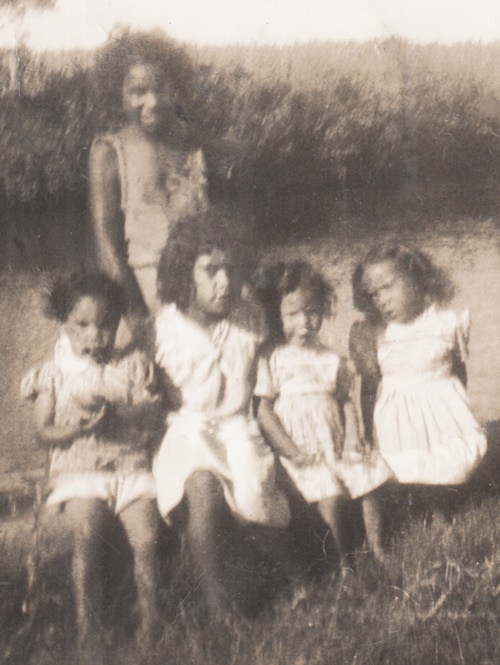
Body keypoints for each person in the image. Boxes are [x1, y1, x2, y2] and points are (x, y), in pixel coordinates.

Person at [152, 211, 290, 613]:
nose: (225, 282)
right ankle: (217, 607)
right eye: (210, 271)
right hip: (188, 430)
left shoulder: (250, 319)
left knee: (255, 500)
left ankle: (286, 576)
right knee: (202, 486)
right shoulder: (163, 329)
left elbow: (265, 383)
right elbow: (154, 396)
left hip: (238, 430)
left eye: (231, 269)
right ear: (183, 275)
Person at [20, 272, 162, 662]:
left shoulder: (132, 365)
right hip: (79, 469)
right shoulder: (55, 372)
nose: (94, 336)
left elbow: (151, 418)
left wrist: (130, 408)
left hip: (129, 467)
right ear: (64, 324)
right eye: (81, 325)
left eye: (105, 325)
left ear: (117, 325)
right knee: (86, 532)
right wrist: (73, 429)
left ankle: (152, 623)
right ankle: (89, 628)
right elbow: (42, 432)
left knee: (146, 537)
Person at [349, 243, 487, 560]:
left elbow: (457, 368)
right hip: (396, 412)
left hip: (439, 401)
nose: (382, 300)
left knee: (441, 462)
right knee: (398, 465)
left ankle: (439, 511)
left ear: (417, 279)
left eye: (387, 288)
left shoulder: (446, 322)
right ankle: (382, 538)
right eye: (373, 294)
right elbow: (369, 388)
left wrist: (456, 403)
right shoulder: (377, 333)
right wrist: (368, 431)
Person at [254, 261, 392, 570]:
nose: (304, 322)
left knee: (370, 477)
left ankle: (378, 545)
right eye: (292, 314)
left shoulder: (331, 357)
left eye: (312, 311)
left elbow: (345, 401)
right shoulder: (271, 357)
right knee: (331, 495)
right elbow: (263, 411)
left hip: (336, 443)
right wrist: (291, 451)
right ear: (276, 314)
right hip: (301, 451)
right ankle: (345, 560)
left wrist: (354, 438)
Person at [89, 31, 208, 343]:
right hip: (143, 304)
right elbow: (108, 248)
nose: (153, 102)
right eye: (137, 91)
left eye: (162, 89)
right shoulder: (110, 152)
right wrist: (142, 324)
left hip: (202, 302)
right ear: (117, 93)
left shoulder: (191, 145)